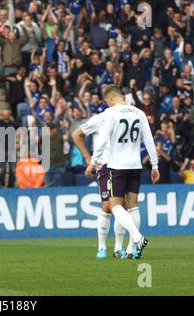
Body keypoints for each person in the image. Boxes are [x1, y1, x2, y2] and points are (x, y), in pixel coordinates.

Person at [85, 85, 160, 259]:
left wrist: (93, 163)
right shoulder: (139, 113)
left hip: (116, 166)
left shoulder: (111, 113)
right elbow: (149, 140)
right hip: (135, 165)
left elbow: (102, 141)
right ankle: (132, 250)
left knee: (115, 206)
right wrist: (154, 165)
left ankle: (138, 238)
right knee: (133, 206)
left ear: (111, 98)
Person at [73, 102, 128, 259]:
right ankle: (102, 247)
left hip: (122, 166)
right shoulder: (100, 119)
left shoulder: (123, 118)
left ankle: (118, 248)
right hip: (105, 167)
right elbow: (76, 135)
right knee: (107, 206)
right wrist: (88, 159)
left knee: (122, 206)